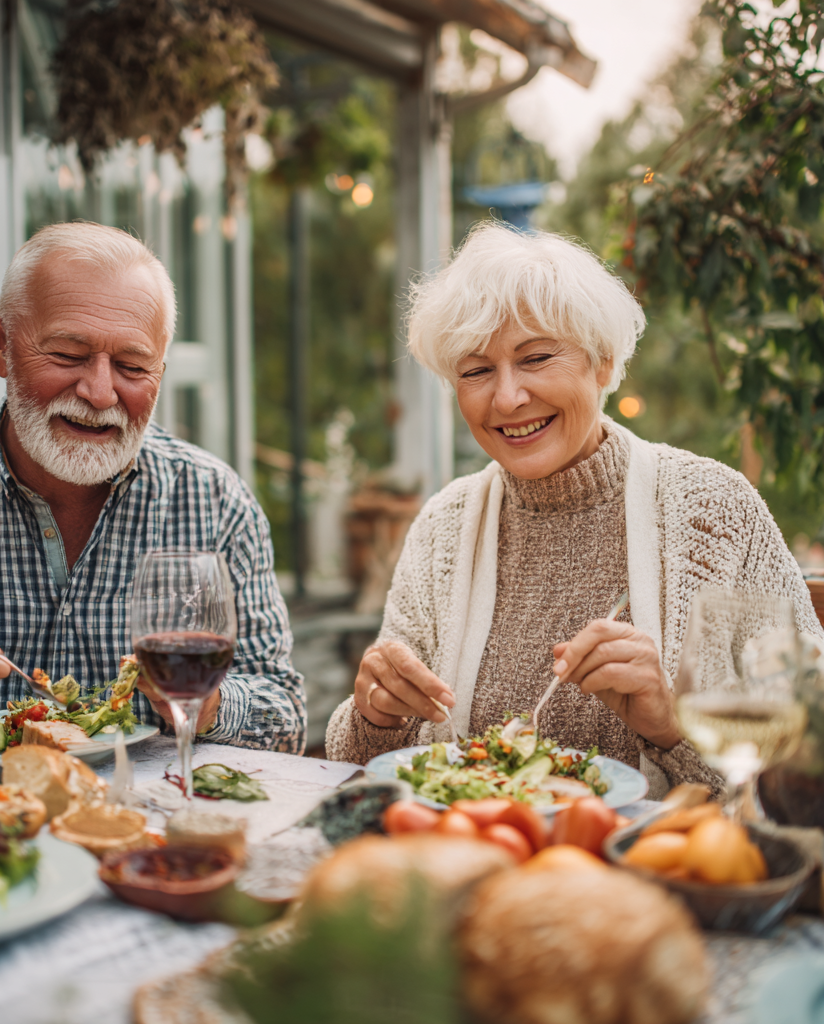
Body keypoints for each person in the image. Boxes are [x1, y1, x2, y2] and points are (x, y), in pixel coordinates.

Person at [325, 223, 821, 794]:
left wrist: (670, 727)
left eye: (535, 358)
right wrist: (374, 713)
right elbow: (360, 757)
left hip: (663, 868)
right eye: (477, 371)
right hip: (480, 862)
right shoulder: (444, 524)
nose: (507, 397)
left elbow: (810, 755)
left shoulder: (716, 507)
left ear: (603, 363)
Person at [0, 222, 306, 753]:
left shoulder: (215, 502)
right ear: (1, 344)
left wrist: (208, 704)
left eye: (132, 365)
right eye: (68, 355)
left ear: (161, 371)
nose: (100, 393)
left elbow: (285, 719)